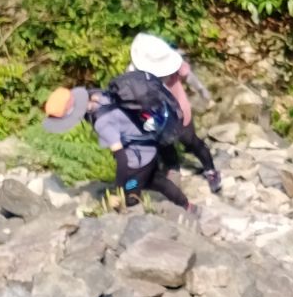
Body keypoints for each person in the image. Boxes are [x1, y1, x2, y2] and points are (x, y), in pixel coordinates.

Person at [42, 83, 194, 211]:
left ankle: (171, 212)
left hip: (138, 159)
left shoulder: (102, 123)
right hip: (148, 144)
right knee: (155, 181)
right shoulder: (98, 96)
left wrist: (119, 190)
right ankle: (187, 205)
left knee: (130, 197)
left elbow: (121, 158)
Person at [129, 31, 221, 194]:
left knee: (191, 141)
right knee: (165, 144)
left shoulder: (175, 64)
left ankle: (210, 170)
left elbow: (189, 77)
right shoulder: (134, 71)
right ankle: (173, 169)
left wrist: (203, 91)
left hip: (179, 111)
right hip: (155, 116)